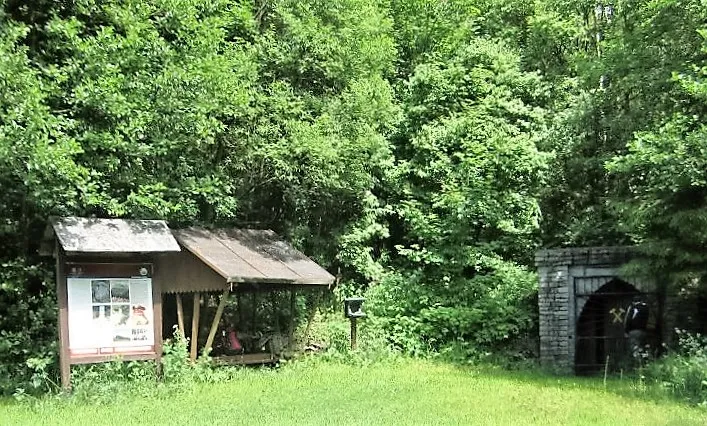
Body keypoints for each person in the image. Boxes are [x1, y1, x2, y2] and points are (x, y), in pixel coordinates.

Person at [624, 297, 649, 364]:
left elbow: (628, 319)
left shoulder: (632, 308)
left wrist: (626, 331)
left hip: (633, 331)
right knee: (642, 348)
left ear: (633, 302)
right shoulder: (646, 307)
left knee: (635, 349)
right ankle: (645, 364)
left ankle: (638, 365)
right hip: (643, 331)